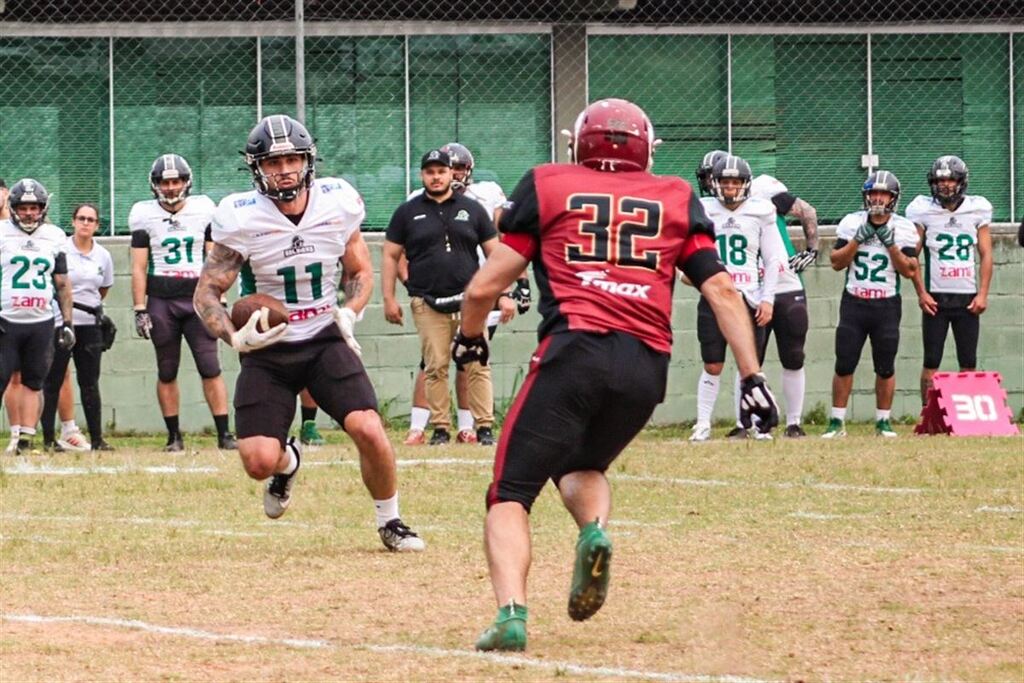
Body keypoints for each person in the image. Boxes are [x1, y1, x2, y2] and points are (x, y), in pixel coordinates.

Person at [453, 98, 779, 652]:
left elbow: (484, 286)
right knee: (583, 463)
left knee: (509, 491)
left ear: (579, 144)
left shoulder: (550, 185)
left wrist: (468, 337)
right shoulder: (676, 196)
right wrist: (751, 377)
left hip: (574, 351)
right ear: (645, 148)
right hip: (645, 366)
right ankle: (593, 531)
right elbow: (722, 289)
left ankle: (511, 614)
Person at [193, 114, 424, 552]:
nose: (283, 170)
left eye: (292, 159)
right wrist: (235, 338)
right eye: (273, 162)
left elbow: (359, 271)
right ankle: (289, 461)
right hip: (269, 347)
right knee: (258, 461)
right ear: (256, 168)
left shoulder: (337, 202)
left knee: (369, 428)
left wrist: (350, 312)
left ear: (308, 160)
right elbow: (206, 294)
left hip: (323, 336)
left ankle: (390, 520)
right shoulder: (240, 217)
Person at [382, 149, 513, 447]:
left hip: (471, 302)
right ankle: (440, 427)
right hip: (428, 302)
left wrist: (504, 293)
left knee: (477, 364)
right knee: (436, 366)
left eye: (442, 171)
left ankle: (484, 427)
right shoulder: (408, 211)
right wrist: (389, 298)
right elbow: (390, 255)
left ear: (451, 173)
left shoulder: (473, 208)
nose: (437, 176)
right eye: (430, 172)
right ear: (422, 176)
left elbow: (496, 254)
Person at [130, 154, 235, 452]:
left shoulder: (204, 209)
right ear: (155, 185)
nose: (171, 187)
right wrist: (139, 308)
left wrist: (221, 298)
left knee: (210, 365)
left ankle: (224, 434)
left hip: (198, 299)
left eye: (176, 181)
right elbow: (138, 266)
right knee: (167, 369)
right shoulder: (143, 214)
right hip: (161, 300)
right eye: (165, 182)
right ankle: (174, 436)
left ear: (186, 182)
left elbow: (215, 257)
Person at [689, 155, 784, 441]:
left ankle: (753, 424)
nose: (730, 188)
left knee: (750, 364)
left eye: (735, 182)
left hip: (750, 296)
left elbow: (774, 257)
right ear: (714, 183)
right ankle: (703, 422)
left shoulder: (761, 210)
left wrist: (768, 299)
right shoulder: (704, 209)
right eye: (725, 182)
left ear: (745, 184)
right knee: (713, 363)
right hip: (715, 294)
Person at [823, 171, 918, 438]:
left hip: (886, 303)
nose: (877, 198)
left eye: (883, 194)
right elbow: (836, 262)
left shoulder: (903, 227)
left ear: (893, 198)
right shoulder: (853, 222)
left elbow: (909, 270)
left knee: (885, 365)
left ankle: (883, 421)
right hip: (854, 301)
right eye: (873, 193)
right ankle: (837, 421)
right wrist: (857, 241)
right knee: (844, 362)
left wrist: (891, 245)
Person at [906, 156, 993, 405]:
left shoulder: (977, 208)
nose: (945, 185)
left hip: (967, 296)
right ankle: (927, 414)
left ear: (961, 181)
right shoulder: (923, 209)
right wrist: (921, 293)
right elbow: (912, 255)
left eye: (950, 179)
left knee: (969, 360)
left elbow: (986, 254)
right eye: (940, 180)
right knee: (931, 359)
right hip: (936, 296)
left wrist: (983, 294)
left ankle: (969, 414)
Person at [0, 179, 75, 453]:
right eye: (24, 208)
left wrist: (68, 322)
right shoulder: (1, 232)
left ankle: (25, 440)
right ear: (14, 208)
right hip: (6, 320)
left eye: (35, 208)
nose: (29, 213)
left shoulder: (54, 235)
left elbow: (63, 283)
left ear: (43, 209)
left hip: (41, 321)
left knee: (34, 381)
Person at [745, 171, 819, 437]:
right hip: (752, 286)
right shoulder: (718, 210)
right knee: (749, 360)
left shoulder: (763, 189)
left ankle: (794, 422)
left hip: (785, 285)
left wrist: (812, 250)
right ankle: (750, 423)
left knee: (793, 356)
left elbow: (806, 210)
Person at [41, 203, 115, 452]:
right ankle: (49, 438)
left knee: (90, 381)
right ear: (73, 221)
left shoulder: (103, 255)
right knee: (53, 380)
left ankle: (97, 439)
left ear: (96, 225)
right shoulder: (61, 249)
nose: (85, 223)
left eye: (91, 220)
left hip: (89, 324)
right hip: (62, 323)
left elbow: (103, 288)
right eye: (81, 218)